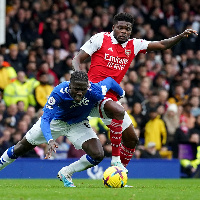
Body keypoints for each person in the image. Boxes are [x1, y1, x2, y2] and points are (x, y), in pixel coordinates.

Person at [72, 12, 198, 170]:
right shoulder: (100, 38)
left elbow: (162, 45)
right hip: (94, 93)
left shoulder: (134, 44)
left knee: (132, 139)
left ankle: (119, 173)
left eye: (127, 28)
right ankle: (115, 162)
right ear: (113, 28)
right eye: (120, 28)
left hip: (111, 97)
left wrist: (180, 36)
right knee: (117, 111)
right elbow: (77, 59)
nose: (124, 31)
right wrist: (80, 78)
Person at [0, 71, 124, 187]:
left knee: (98, 155)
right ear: (70, 85)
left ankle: (66, 172)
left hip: (78, 123)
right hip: (55, 122)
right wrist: (49, 140)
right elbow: (45, 119)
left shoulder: (95, 90)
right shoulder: (59, 91)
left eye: (83, 89)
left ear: (87, 86)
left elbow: (110, 81)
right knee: (21, 147)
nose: (80, 92)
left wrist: (121, 93)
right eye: (76, 89)